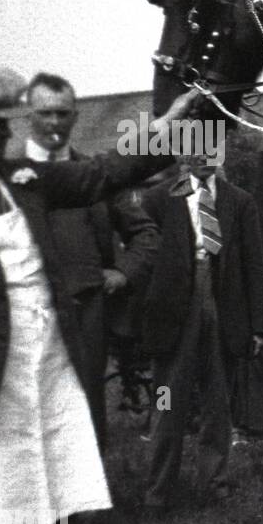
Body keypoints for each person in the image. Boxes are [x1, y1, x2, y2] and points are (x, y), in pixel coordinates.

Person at [0, 67, 195, 524]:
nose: (2, 137)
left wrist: (164, 133)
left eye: (5, 126)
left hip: (45, 349)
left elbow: (100, 175)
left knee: (50, 462)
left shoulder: (20, 178)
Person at [22, 73, 159, 450]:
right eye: (45, 113)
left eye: (62, 113)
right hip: (26, 314)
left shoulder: (97, 178)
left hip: (87, 312)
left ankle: (89, 505)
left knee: (85, 403)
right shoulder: (10, 176)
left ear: (75, 117)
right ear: (26, 115)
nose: (54, 122)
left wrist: (123, 273)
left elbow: (146, 234)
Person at [138, 156, 263, 512]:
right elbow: (142, 257)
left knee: (218, 400)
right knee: (168, 398)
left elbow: (255, 265)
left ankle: (214, 482)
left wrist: (257, 326)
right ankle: (159, 489)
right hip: (174, 307)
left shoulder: (239, 201)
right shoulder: (158, 198)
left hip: (224, 303)